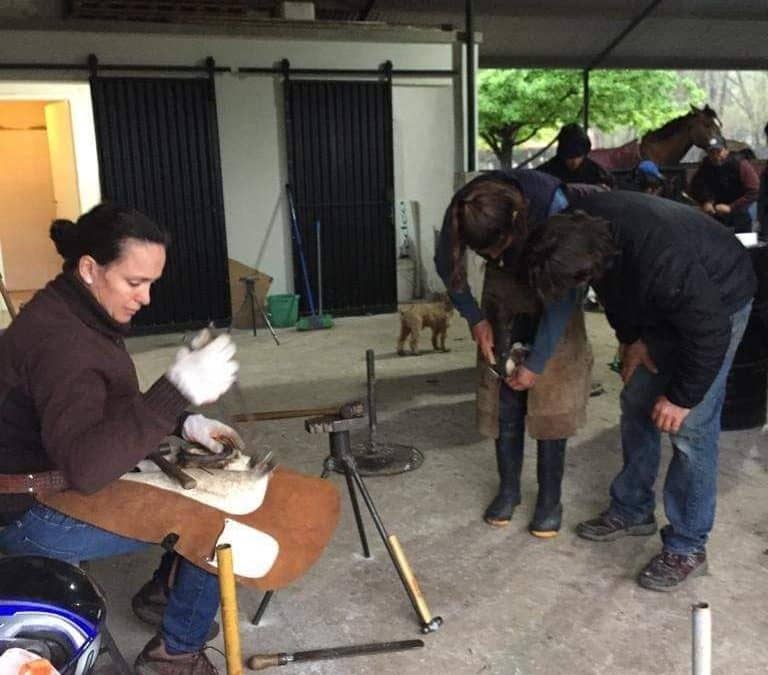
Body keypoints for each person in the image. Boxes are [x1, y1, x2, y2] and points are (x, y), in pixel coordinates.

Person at [0, 204, 240, 674]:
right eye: (135, 282)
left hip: (44, 482)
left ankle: (164, 593)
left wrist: (183, 421)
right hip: (27, 514)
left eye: (151, 283)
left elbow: (105, 402)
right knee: (217, 524)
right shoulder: (62, 342)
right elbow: (87, 470)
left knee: (192, 489)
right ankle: (175, 653)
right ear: (90, 268)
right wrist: (173, 391)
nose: (145, 298)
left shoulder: (77, 311)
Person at [522, 191, 756, 591]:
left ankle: (688, 545)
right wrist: (632, 340)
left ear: (589, 267)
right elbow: (616, 294)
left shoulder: (662, 263)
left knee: (691, 428)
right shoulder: (579, 232)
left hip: (721, 298)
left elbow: (710, 332)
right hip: (673, 295)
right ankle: (633, 508)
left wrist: (681, 398)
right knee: (636, 400)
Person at [435, 170, 592, 537]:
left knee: (552, 392)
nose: (492, 256)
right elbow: (447, 265)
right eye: (483, 253)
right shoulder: (463, 211)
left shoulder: (554, 209)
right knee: (502, 387)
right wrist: (475, 317)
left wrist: (537, 362)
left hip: (554, 282)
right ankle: (509, 490)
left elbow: (567, 292)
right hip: (504, 292)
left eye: (497, 247)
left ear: (516, 222)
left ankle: (550, 500)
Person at [689, 135, 760, 233]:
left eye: (718, 151)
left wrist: (731, 207)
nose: (715, 156)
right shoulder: (706, 165)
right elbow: (696, 186)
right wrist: (706, 201)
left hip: (742, 209)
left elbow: (755, 191)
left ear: (726, 151)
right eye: (711, 152)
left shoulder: (740, 164)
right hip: (718, 211)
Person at [539, 123, 616, 189]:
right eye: (569, 157)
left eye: (578, 156)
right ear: (562, 154)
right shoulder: (547, 171)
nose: (574, 162)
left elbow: (610, 186)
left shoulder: (597, 173)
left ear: (584, 153)